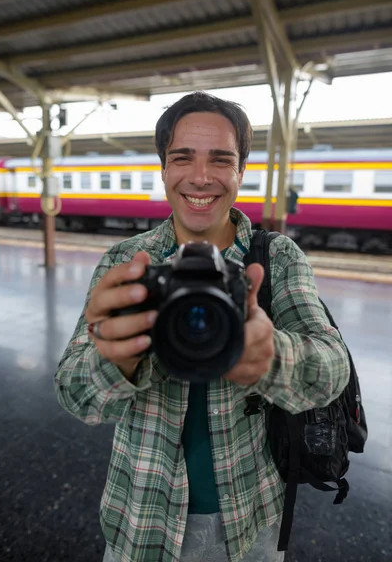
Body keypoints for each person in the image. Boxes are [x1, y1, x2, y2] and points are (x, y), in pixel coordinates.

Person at [54, 92, 350, 562]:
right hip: (141, 519)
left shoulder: (275, 258)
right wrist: (117, 360)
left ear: (241, 171)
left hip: (249, 521)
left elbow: (334, 371)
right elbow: (75, 396)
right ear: (164, 169)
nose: (200, 177)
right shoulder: (128, 262)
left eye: (221, 160)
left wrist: (270, 356)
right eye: (182, 158)